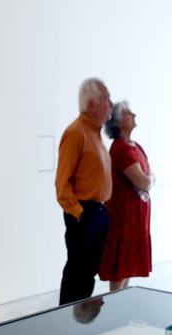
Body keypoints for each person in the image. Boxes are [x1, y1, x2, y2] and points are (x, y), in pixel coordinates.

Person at [55, 78, 113, 305]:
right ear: (91, 104)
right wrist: (80, 214)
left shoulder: (96, 135)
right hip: (84, 213)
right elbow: (62, 184)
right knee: (76, 274)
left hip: (98, 212)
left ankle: (78, 322)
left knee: (88, 274)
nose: (111, 103)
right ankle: (64, 325)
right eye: (106, 98)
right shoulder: (75, 133)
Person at [99, 101, 153, 290]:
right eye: (129, 114)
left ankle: (121, 307)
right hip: (123, 217)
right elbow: (143, 181)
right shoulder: (120, 149)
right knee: (120, 268)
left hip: (135, 216)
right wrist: (150, 180)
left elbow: (147, 176)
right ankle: (115, 310)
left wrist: (149, 179)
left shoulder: (134, 146)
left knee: (128, 266)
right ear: (118, 123)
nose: (134, 115)